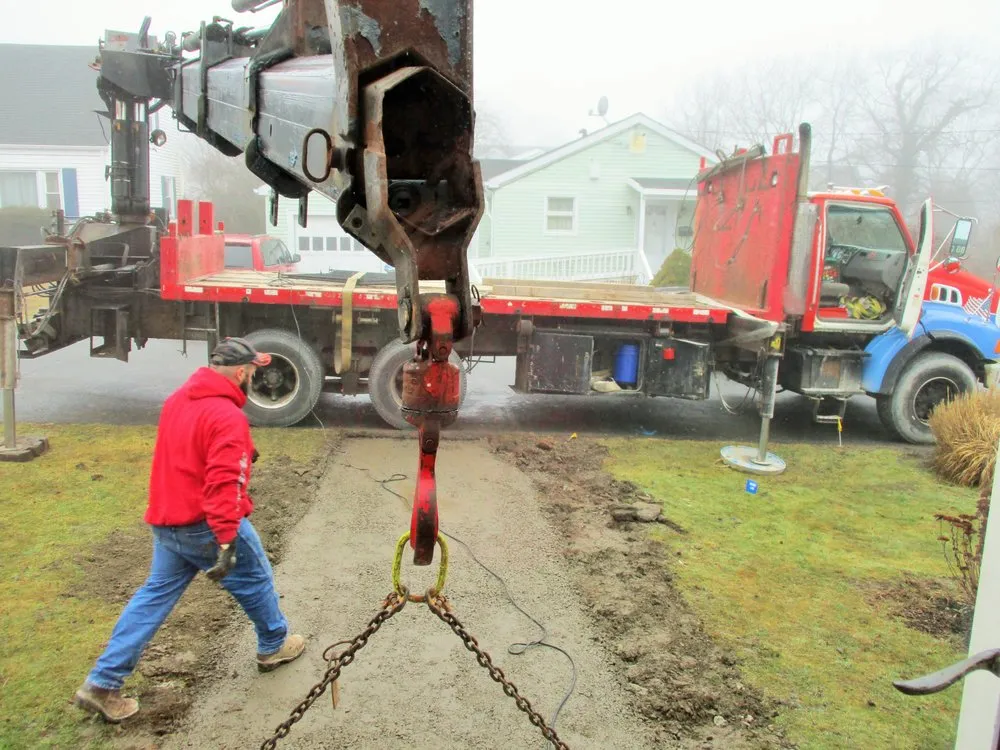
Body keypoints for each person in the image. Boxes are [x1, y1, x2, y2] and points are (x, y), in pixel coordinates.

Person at [73, 337, 306, 722]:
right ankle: (273, 645)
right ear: (241, 373)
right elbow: (225, 481)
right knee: (256, 577)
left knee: (153, 597)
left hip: (167, 521)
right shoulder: (227, 416)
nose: (253, 379)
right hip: (206, 524)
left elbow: (187, 453)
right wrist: (227, 536)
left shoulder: (179, 399)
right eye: (252, 372)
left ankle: (103, 682)